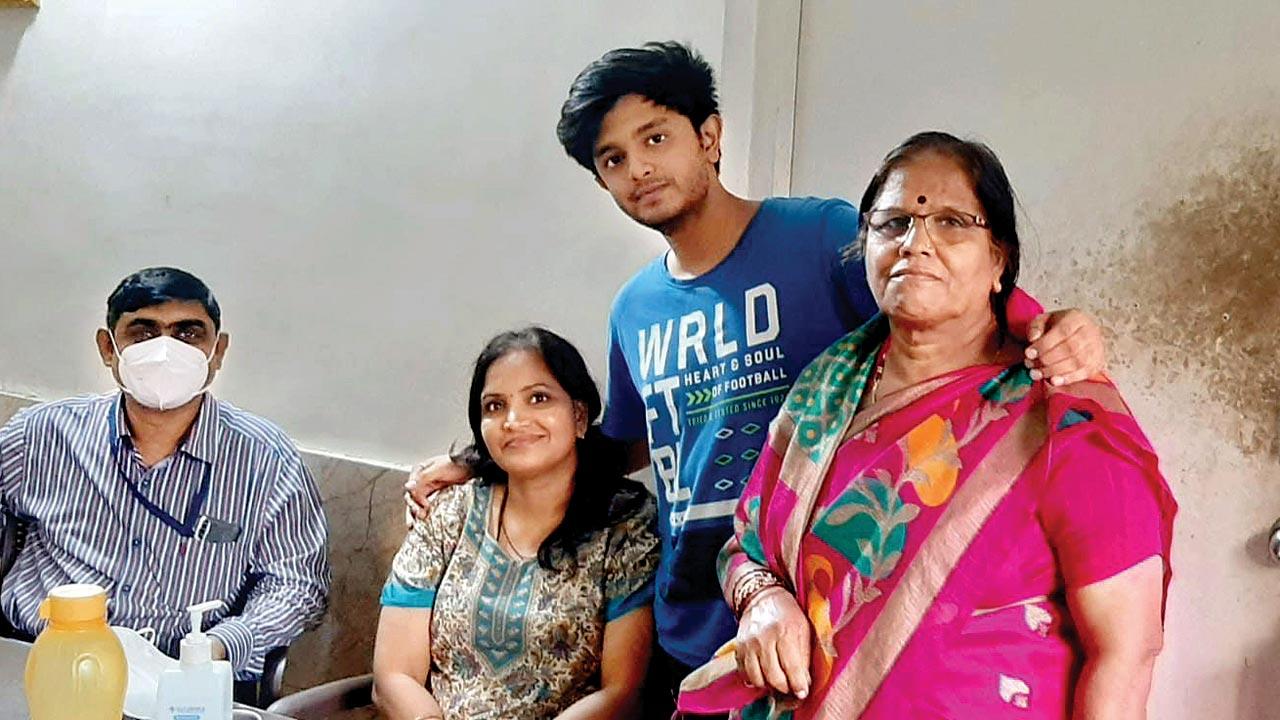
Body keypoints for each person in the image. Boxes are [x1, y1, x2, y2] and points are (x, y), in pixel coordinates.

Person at [407, 42, 1107, 713]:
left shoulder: (819, 238)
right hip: (689, 625)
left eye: (656, 139)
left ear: (709, 135)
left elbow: (945, 314)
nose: (639, 169)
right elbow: (622, 445)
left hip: (821, 622)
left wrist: (1053, 326)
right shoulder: (633, 309)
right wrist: (477, 463)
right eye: (613, 158)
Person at [678, 132, 1176, 719]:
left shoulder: (1062, 417)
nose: (917, 243)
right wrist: (761, 601)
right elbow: (747, 545)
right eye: (893, 224)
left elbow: (1126, 651)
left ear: (999, 261)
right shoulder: (825, 391)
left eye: (952, 222)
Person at [0, 267, 330, 681]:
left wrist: (222, 645)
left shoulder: (265, 458)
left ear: (218, 351)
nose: (165, 350)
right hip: (40, 662)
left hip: (182, 678)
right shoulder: (42, 436)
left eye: (189, 333)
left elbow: (297, 584)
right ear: (108, 347)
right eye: (143, 331)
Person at [373, 327, 659, 720]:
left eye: (538, 399)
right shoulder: (447, 513)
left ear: (579, 416)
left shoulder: (626, 524)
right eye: (494, 406)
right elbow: (393, 675)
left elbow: (622, 693)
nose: (513, 420)